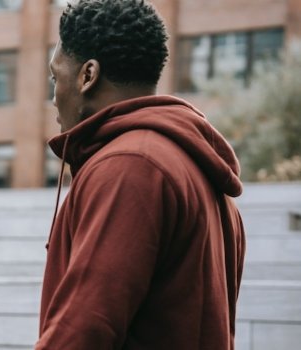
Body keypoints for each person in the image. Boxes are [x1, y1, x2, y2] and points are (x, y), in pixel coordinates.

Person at [37, 1, 245, 349]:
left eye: (56, 77)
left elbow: (86, 326)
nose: (55, 96)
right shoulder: (196, 169)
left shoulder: (129, 166)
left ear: (88, 75)